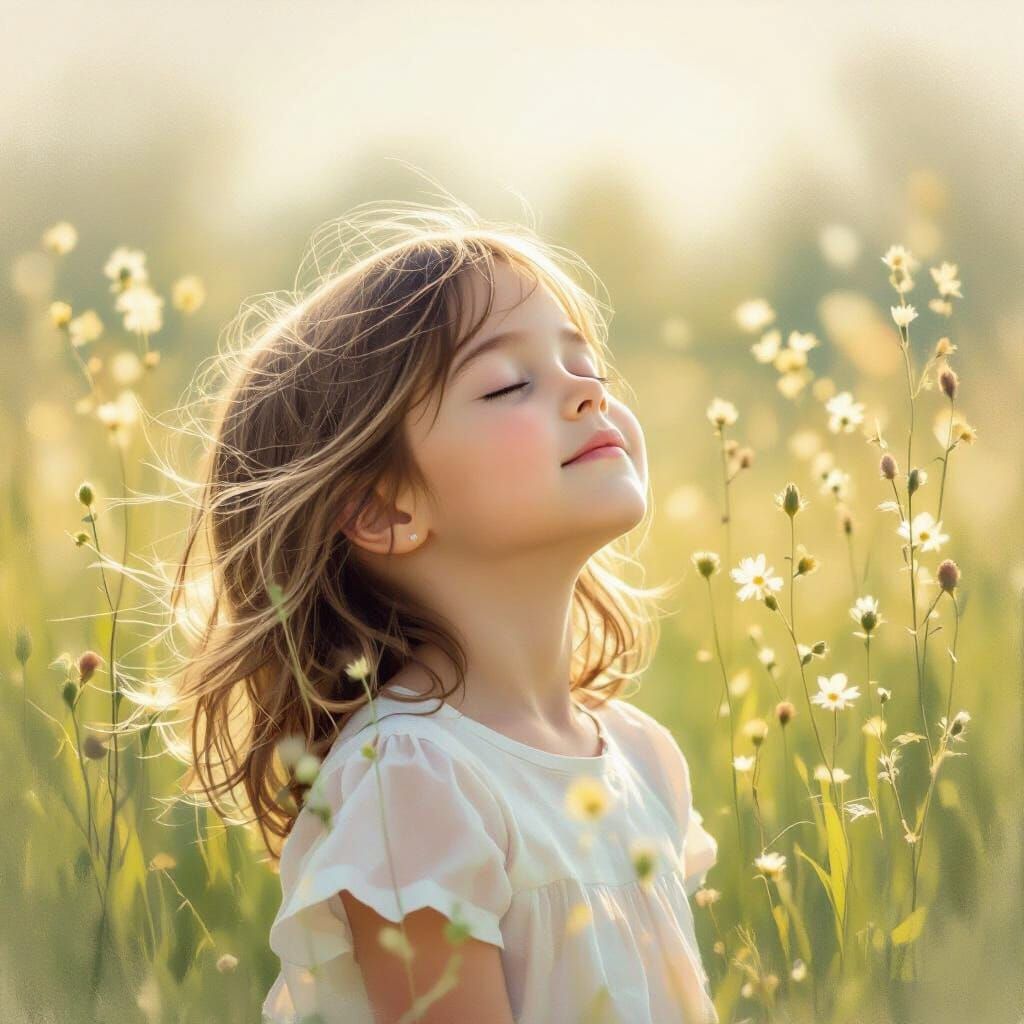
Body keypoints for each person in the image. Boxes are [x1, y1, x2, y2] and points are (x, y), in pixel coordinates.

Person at [170, 199, 719, 1023]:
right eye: (509, 384)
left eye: (588, 367)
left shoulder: (639, 759)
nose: (585, 394)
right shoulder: (415, 785)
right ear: (387, 511)